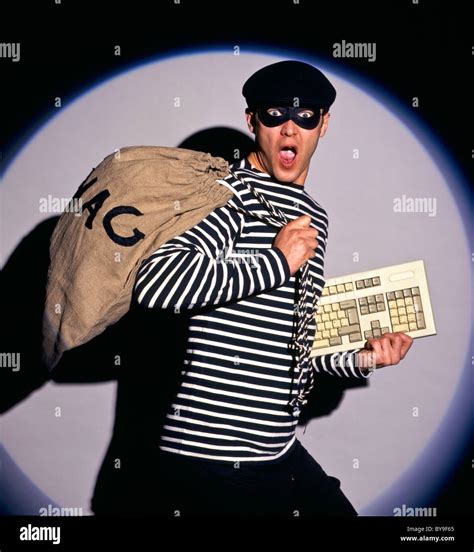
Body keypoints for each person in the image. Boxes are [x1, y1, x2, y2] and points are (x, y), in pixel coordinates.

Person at [128, 60, 414, 518]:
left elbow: (295, 345)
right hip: (213, 458)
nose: (288, 129)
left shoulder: (314, 216)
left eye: (304, 117)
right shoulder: (229, 195)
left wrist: (366, 358)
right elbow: (156, 283)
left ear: (323, 124)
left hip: (276, 448)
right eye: (274, 114)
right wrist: (276, 262)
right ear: (251, 121)